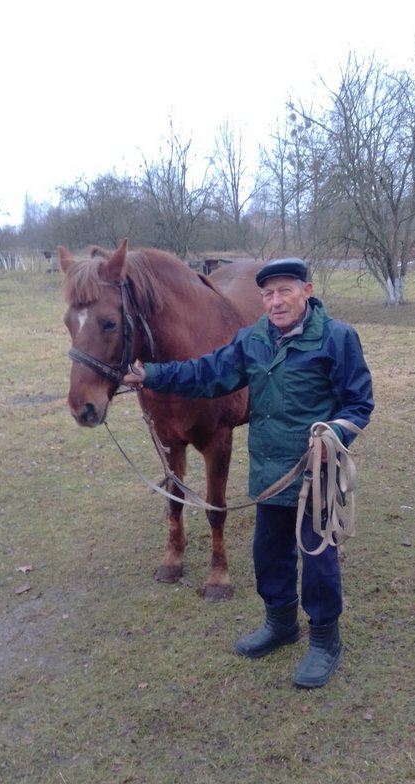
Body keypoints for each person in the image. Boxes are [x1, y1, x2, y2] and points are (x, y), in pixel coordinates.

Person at [123, 258, 374, 689]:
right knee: (268, 555)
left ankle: (324, 640)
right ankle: (280, 624)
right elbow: (206, 372)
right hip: (269, 474)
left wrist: (334, 432)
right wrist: (152, 374)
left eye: (285, 292)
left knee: (318, 561)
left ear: (307, 291)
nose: (275, 302)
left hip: (316, 473)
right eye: (268, 295)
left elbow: (359, 403)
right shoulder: (253, 340)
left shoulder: (337, 338)